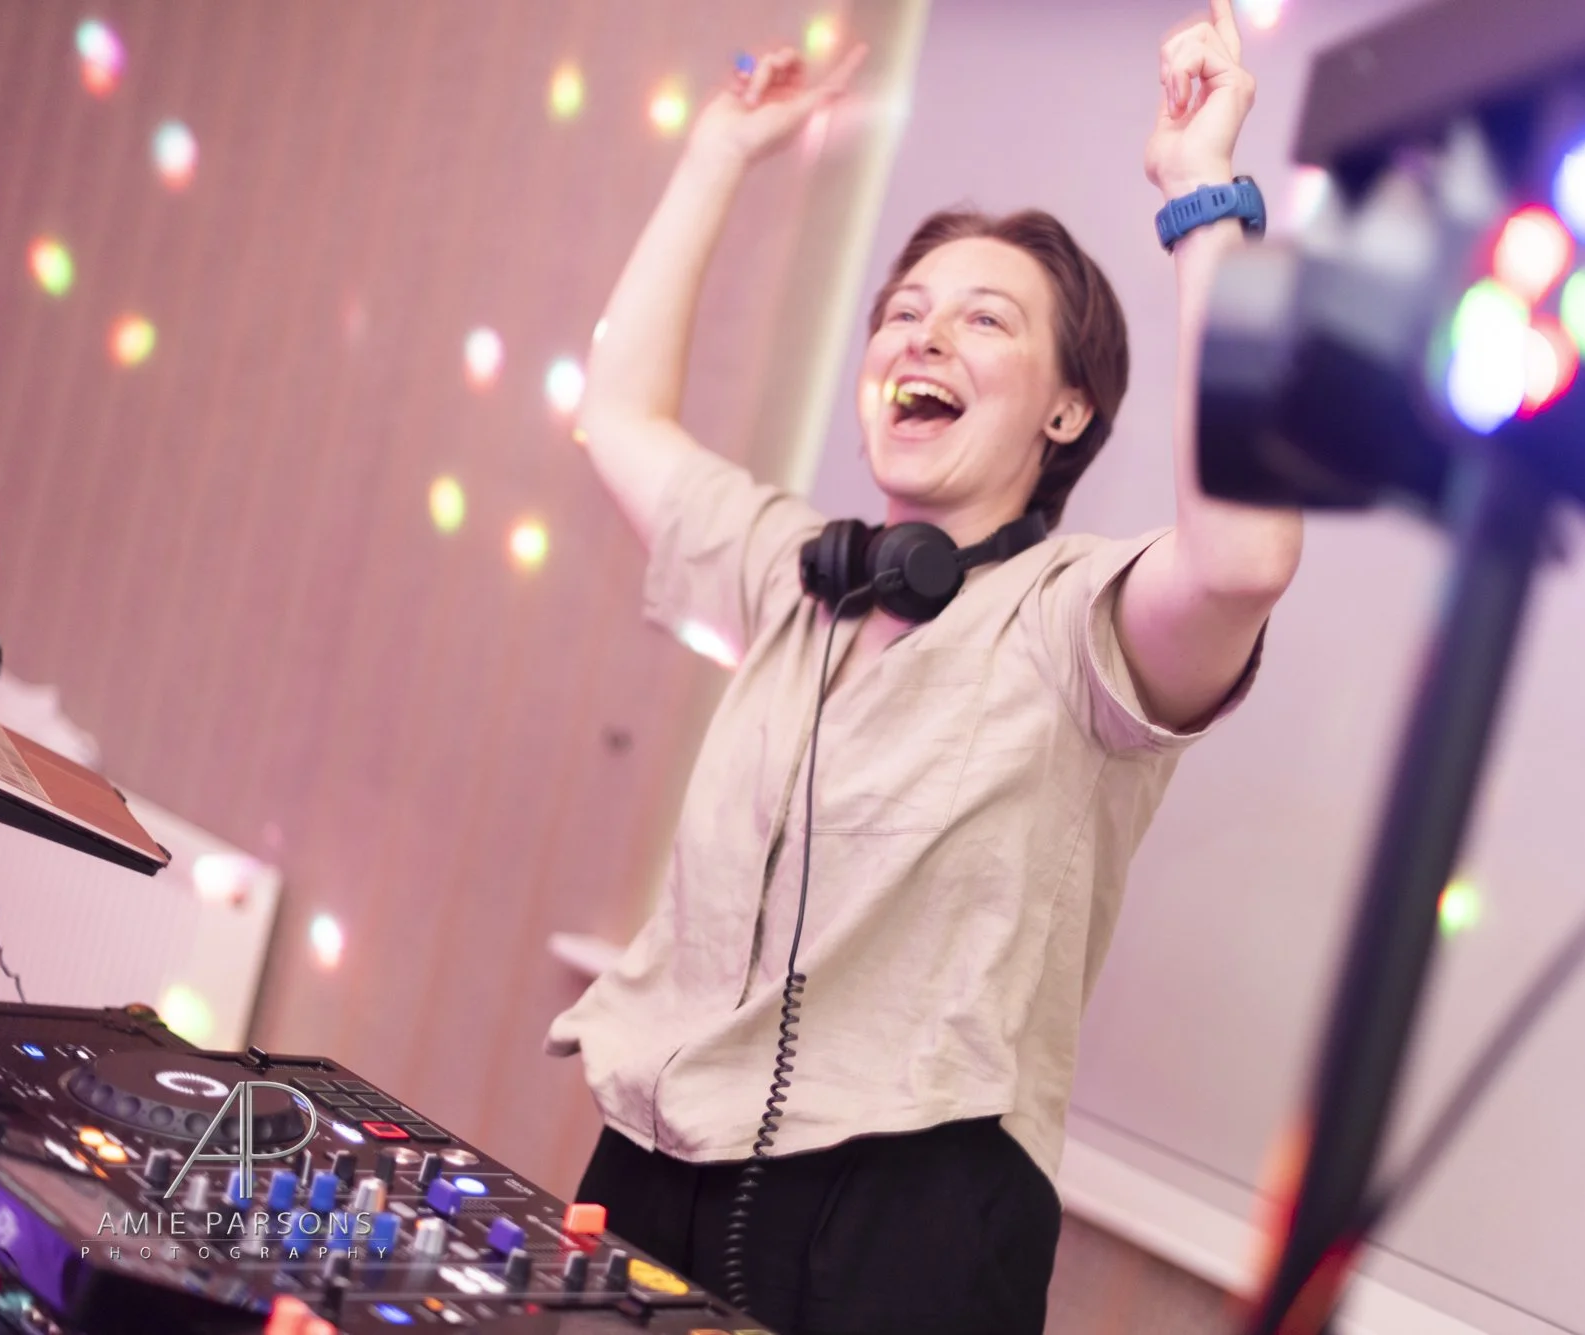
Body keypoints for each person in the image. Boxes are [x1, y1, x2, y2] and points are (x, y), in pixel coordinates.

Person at [545, 4, 1300, 1331]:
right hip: (650, 1175)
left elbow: (1241, 556)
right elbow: (615, 411)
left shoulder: (1079, 620)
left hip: (905, 1235)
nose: (923, 338)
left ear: (1068, 410)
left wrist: (1202, 193)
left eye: (986, 320)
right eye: (903, 311)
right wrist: (720, 152)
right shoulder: (798, 572)